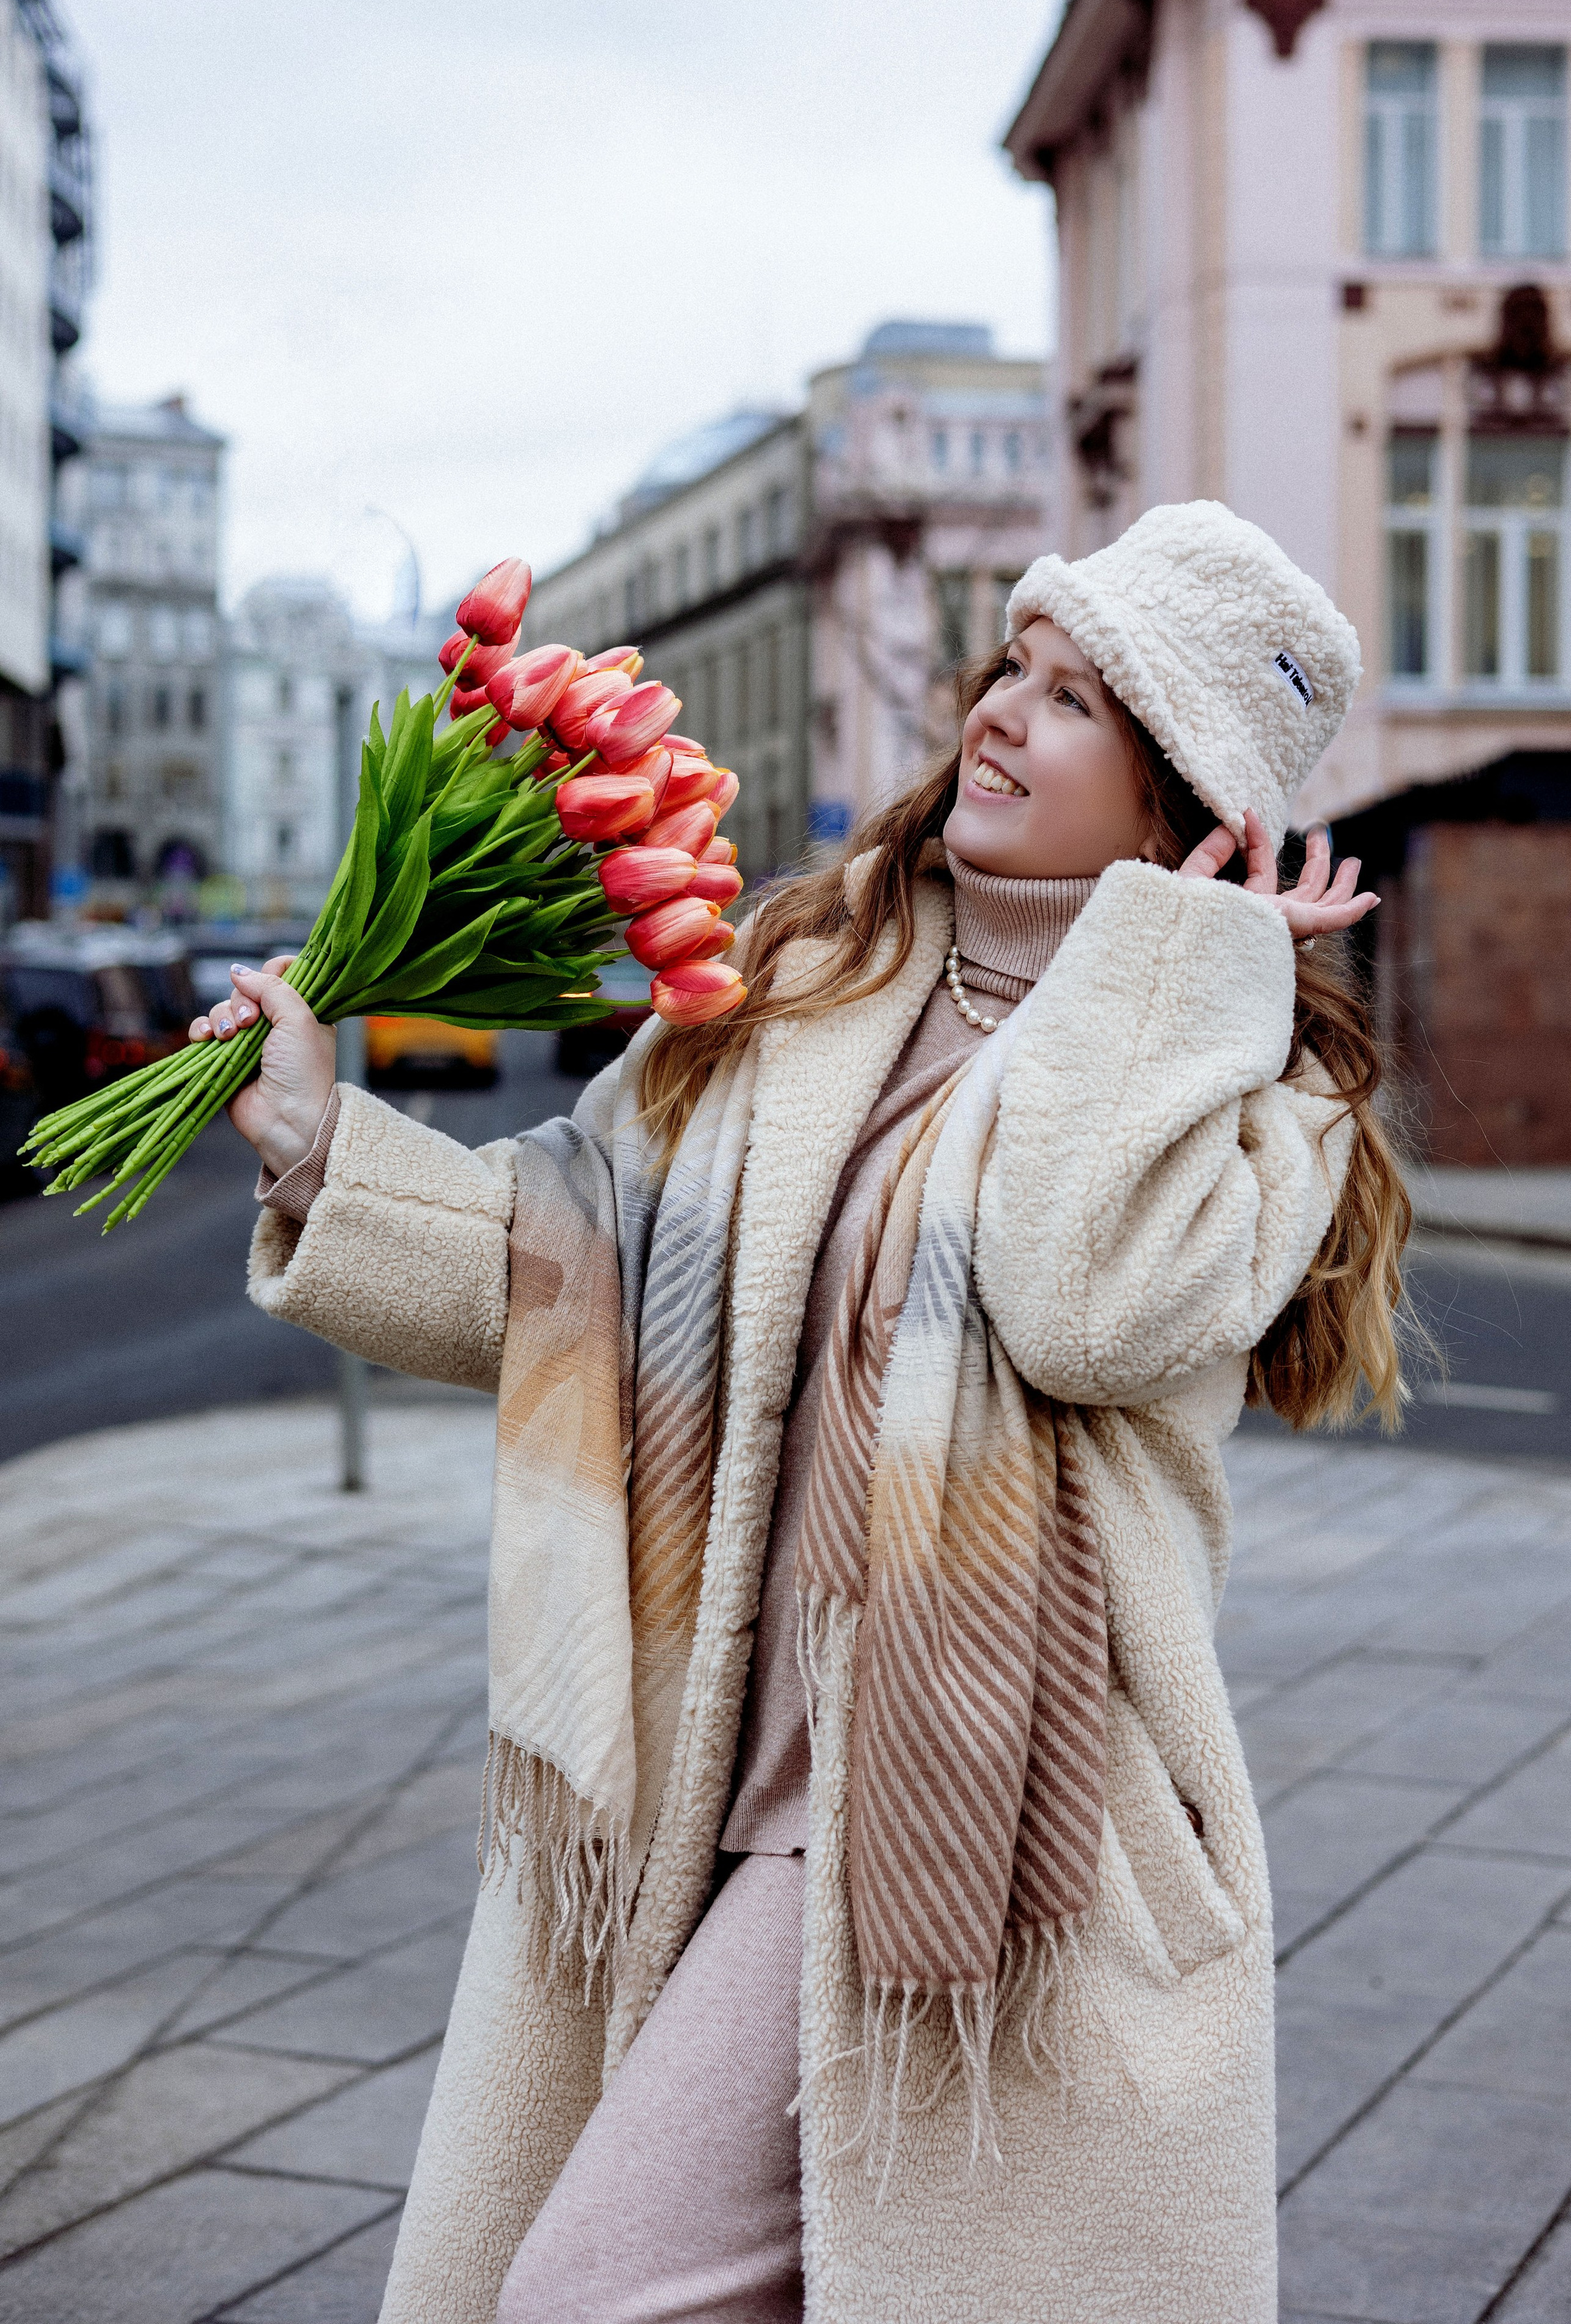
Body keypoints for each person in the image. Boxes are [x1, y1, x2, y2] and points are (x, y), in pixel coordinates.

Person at [194, 502, 1407, 2324]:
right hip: (700, 1750)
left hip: (972, 1820)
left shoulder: (1253, 1101)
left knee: (590, 2293)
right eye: (1017, 664)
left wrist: (1174, 968)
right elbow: (571, 1255)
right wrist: (321, 1155)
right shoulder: (810, 979)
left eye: (1079, 703)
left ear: (1183, 814)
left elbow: (1084, 1299)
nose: (1001, 712)